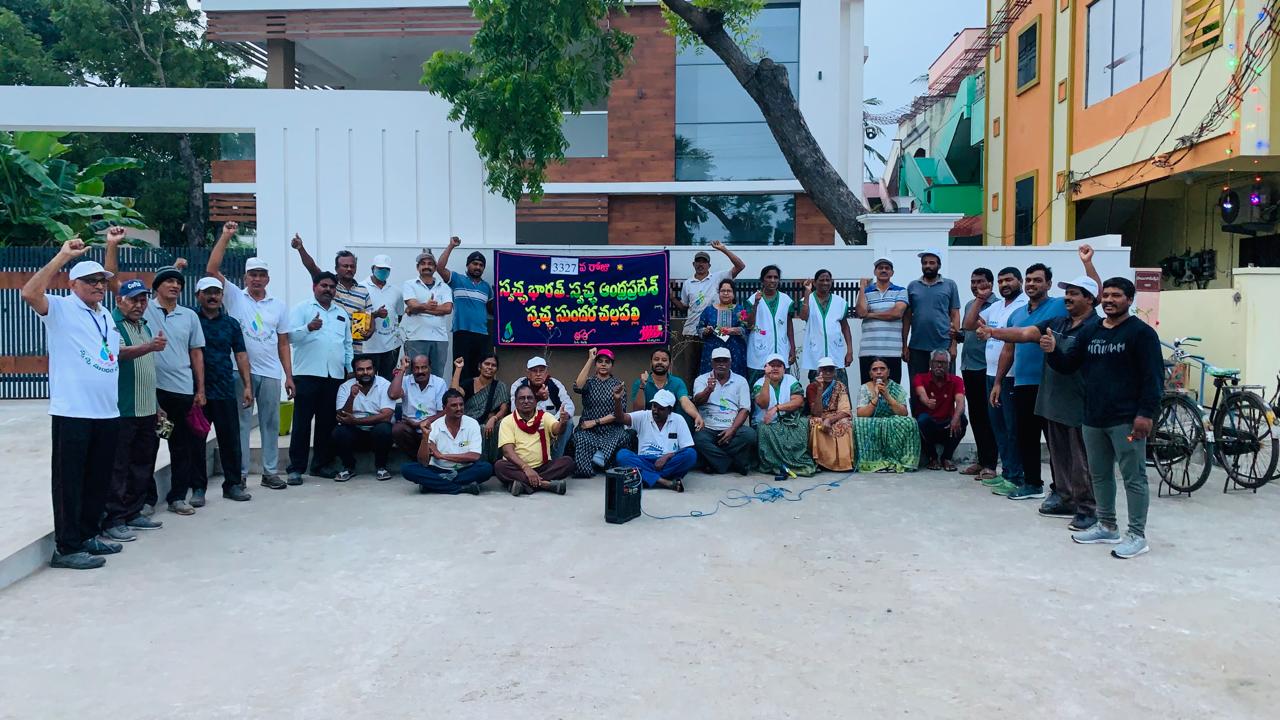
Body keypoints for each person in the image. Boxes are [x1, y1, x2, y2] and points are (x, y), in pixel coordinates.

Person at [1045, 277, 1163, 559]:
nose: (1109, 300)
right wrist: (1052, 351)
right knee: (1099, 475)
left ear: (1129, 300)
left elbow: (1153, 378)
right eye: (1106, 295)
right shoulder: (1092, 330)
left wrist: (1145, 414)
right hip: (1093, 418)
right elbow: (1069, 365)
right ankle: (1107, 526)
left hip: (1127, 420)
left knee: (1134, 477)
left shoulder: (1141, 333)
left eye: (1116, 295)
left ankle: (1137, 535)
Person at [23, 240, 123, 569]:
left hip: (106, 411)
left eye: (101, 281)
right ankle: (66, 547)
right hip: (73, 411)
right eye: (90, 281)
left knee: (97, 479)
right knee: (70, 481)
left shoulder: (104, 314)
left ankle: (88, 533)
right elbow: (29, 293)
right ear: (73, 284)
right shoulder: (60, 308)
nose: (98, 286)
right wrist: (63, 256)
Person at [981, 269, 1102, 531]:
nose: (1068, 297)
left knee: (1080, 458)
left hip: (1079, 403)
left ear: (1089, 298)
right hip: (1053, 400)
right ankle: (1065, 498)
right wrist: (992, 332)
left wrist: (1087, 263)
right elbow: (1025, 334)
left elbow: (1070, 364)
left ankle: (1087, 508)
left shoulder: (1095, 328)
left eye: (1074, 293)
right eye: (1067, 293)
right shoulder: (1058, 323)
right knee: (1059, 454)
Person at [204, 222, 295, 491]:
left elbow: (283, 343)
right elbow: (211, 270)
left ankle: (270, 472)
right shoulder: (234, 296)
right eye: (252, 275)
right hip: (239, 372)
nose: (257, 279)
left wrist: (288, 376)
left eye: (261, 275)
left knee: (270, 424)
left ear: (268, 279)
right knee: (241, 424)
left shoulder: (278, 306)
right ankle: (241, 474)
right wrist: (226, 236)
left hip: (270, 373)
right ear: (245, 278)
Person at [989, 263, 1069, 501]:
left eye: (1038, 280)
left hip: (1051, 384)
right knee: (1026, 436)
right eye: (1029, 280)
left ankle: (1061, 489)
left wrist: (1088, 263)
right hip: (1022, 383)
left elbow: (1093, 295)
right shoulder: (1017, 314)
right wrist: (998, 382)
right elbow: (1008, 350)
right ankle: (1033, 484)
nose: (1032, 284)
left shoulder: (1060, 305)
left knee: (1055, 440)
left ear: (1049, 284)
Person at [134, 260, 206, 516]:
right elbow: (117, 286)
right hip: (153, 392)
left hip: (182, 391)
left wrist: (200, 389)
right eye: (169, 281)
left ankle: (178, 497)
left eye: (178, 282)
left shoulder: (189, 316)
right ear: (156, 287)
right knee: (148, 447)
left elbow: (196, 352)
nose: (175, 285)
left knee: (181, 447)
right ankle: (147, 500)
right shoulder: (146, 310)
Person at [102, 278, 167, 542]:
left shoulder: (144, 326)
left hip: (146, 409)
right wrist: (149, 346)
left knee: (142, 464)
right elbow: (117, 353)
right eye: (133, 300)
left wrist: (157, 405)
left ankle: (133, 512)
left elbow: (147, 370)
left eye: (143, 300)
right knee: (118, 467)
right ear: (119, 300)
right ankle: (114, 519)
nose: (139, 305)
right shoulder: (112, 324)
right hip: (123, 409)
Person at [286, 271, 353, 484]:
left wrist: (349, 369)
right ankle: (296, 468)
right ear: (314, 287)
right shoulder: (302, 309)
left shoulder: (341, 313)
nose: (328, 290)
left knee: (327, 423)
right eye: (324, 286)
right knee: (302, 423)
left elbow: (347, 344)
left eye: (332, 287)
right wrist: (308, 328)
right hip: (307, 374)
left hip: (334, 376)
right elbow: (289, 337)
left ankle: (321, 465)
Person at [965, 266, 1027, 495]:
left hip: (1010, 376)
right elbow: (969, 324)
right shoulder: (997, 306)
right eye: (1000, 281)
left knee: (1012, 429)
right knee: (998, 427)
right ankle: (1007, 473)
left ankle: (1016, 476)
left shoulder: (1023, 306)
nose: (1004, 284)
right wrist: (980, 300)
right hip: (991, 374)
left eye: (1009, 280)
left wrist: (991, 333)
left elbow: (1012, 340)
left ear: (1019, 281)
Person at [193, 277, 254, 504]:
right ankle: (198, 489)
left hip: (225, 389)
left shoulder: (231, 324)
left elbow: (241, 355)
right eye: (208, 292)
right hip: (197, 392)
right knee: (196, 441)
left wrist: (247, 386)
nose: (213, 297)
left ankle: (233, 485)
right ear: (198, 295)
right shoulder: (191, 320)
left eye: (216, 293)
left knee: (230, 440)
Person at [672, 241, 745, 382]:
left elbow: (740, 266)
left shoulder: (718, 277)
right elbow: (684, 307)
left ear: (709, 265)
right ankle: (693, 395)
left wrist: (723, 249)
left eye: (704, 262)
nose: (701, 264)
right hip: (691, 332)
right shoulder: (687, 283)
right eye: (698, 261)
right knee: (690, 372)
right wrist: (672, 298)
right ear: (693, 264)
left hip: (713, 336)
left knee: (710, 370)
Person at [291, 235, 373, 357]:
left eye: (352, 266)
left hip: (355, 350)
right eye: (345, 266)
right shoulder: (329, 285)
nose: (349, 269)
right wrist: (300, 248)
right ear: (336, 268)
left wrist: (370, 331)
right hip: (332, 351)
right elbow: (312, 267)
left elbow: (369, 315)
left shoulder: (363, 290)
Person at [401, 389, 494, 495]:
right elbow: (423, 461)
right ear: (444, 408)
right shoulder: (434, 426)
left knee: (486, 468)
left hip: (464, 469)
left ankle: (433, 484)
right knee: (407, 469)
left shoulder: (472, 424)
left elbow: (474, 456)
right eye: (454, 405)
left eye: (461, 405)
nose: (459, 408)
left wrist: (442, 456)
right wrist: (425, 437)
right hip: (438, 469)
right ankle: (461, 488)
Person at [612, 387, 697, 491]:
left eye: (661, 408)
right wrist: (617, 400)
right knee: (622, 455)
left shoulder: (678, 419)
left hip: (668, 464)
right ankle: (664, 482)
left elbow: (687, 447)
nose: (656, 411)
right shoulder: (644, 415)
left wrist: (667, 456)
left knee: (691, 454)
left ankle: (647, 477)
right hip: (645, 461)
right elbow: (620, 418)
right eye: (654, 406)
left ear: (670, 410)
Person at [495, 385, 573, 495]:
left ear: (536, 401)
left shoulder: (544, 416)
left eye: (530, 398)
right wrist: (526, 468)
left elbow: (557, 430)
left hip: (543, 467)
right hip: (518, 467)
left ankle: (523, 484)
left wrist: (563, 422)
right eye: (522, 398)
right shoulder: (507, 421)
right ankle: (545, 485)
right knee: (500, 466)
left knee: (567, 462)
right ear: (515, 402)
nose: (526, 401)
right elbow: (508, 452)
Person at [958, 268, 998, 480]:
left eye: (980, 281)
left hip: (987, 368)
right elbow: (968, 330)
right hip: (969, 367)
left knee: (989, 418)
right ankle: (982, 460)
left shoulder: (998, 306)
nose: (976, 285)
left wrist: (982, 300)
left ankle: (991, 464)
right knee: (976, 417)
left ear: (990, 283)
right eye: (973, 281)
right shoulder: (969, 305)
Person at [691, 348, 757, 475]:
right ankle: (731, 463)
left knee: (750, 435)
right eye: (717, 361)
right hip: (708, 428)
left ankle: (715, 462)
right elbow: (697, 402)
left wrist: (732, 430)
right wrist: (708, 390)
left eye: (724, 361)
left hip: (731, 427)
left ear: (730, 362)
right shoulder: (701, 379)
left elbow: (744, 409)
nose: (721, 364)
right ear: (712, 363)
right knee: (698, 439)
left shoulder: (740, 381)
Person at [437, 236, 494, 378]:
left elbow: (493, 310)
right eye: (475, 264)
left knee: (480, 373)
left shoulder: (487, 287)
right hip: (462, 332)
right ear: (468, 265)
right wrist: (451, 246)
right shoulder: (457, 279)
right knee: (460, 371)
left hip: (482, 334)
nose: (478, 267)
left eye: (481, 265)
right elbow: (440, 268)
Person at [753, 354, 816, 479]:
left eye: (779, 366)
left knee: (803, 424)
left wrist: (777, 408)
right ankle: (774, 464)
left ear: (784, 368)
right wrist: (767, 379)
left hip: (789, 419)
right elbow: (763, 403)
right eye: (772, 365)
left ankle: (797, 463)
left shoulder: (791, 380)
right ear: (766, 368)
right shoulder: (759, 383)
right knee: (763, 429)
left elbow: (798, 401)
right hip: (767, 423)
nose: (775, 368)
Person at [332, 356, 395, 482]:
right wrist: (351, 397)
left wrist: (355, 421)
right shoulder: (345, 387)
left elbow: (386, 415)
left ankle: (381, 467)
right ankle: (348, 467)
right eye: (360, 369)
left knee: (384, 429)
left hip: (377, 431)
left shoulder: (384, 384)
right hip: (355, 432)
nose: (365, 372)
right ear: (354, 372)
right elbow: (342, 415)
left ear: (374, 369)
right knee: (339, 432)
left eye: (369, 369)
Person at [903, 249, 961, 383]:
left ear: (939, 265)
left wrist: (954, 345)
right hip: (917, 346)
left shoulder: (950, 285)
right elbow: (907, 317)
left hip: (943, 345)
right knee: (917, 386)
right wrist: (904, 345)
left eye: (932, 263)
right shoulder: (912, 286)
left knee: (946, 385)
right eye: (924, 263)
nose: (928, 266)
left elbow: (955, 315)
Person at [854, 357, 920, 473]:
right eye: (875, 369)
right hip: (872, 422)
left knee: (911, 422)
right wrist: (875, 398)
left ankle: (904, 461)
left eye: (882, 369)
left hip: (892, 421)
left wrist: (887, 396)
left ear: (888, 372)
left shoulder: (896, 388)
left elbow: (903, 413)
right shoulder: (865, 388)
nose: (879, 372)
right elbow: (861, 414)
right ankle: (871, 462)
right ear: (870, 374)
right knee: (858, 423)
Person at [571, 347, 627, 477]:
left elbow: (618, 413)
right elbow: (577, 386)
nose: (603, 364)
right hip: (589, 430)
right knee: (580, 438)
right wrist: (590, 359)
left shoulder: (618, 384)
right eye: (600, 361)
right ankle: (600, 461)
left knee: (623, 437)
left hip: (611, 429)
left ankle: (596, 459)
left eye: (607, 362)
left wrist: (596, 422)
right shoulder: (589, 382)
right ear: (595, 364)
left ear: (612, 365)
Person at [401, 250, 454, 379]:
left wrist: (418, 309)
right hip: (415, 337)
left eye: (430, 264)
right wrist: (422, 307)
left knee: (437, 377)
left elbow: (447, 309)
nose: (426, 266)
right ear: (417, 267)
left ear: (435, 268)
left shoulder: (444, 287)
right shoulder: (409, 284)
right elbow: (412, 304)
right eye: (423, 263)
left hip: (439, 338)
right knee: (413, 376)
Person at [509, 356, 576, 458]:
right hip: (528, 426)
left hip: (552, 426)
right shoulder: (518, 385)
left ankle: (555, 460)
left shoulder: (554, 384)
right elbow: (514, 410)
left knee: (568, 422)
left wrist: (554, 422)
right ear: (528, 373)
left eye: (541, 370)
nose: (538, 374)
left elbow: (569, 405)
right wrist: (537, 398)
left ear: (546, 372)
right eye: (534, 371)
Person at [854, 258, 908, 384]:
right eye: (880, 268)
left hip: (892, 351)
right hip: (868, 350)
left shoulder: (900, 291)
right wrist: (862, 287)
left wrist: (870, 314)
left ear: (892, 272)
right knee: (868, 390)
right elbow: (861, 312)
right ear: (875, 272)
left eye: (887, 268)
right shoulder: (866, 292)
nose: (883, 270)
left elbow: (896, 313)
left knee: (893, 390)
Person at [913, 350, 968, 471]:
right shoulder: (920, 377)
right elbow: (920, 393)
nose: (939, 365)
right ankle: (932, 458)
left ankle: (946, 458)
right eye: (936, 362)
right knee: (922, 420)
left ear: (948, 365)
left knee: (962, 419)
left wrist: (956, 418)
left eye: (943, 363)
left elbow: (960, 401)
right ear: (930, 363)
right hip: (928, 428)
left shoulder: (956, 380)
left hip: (948, 426)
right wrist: (927, 401)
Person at [450, 354, 509, 463]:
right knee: (477, 428)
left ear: (496, 369)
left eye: (493, 365)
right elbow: (453, 394)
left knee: (500, 424)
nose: (490, 367)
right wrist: (458, 368)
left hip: (488, 424)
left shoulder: (500, 386)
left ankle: (493, 461)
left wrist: (494, 418)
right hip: (467, 422)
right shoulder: (469, 383)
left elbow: (504, 409)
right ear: (479, 367)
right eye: (487, 364)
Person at [798, 269, 853, 384]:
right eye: (822, 280)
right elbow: (803, 316)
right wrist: (807, 293)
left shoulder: (840, 302)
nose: (825, 283)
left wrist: (849, 351)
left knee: (840, 390)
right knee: (817, 391)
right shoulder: (806, 300)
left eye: (828, 280)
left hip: (835, 353)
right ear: (814, 282)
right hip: (816, 355)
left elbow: (845, 327)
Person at [629, 348, 703, 430]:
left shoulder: (677, 382)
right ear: (651, 363)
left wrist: (696, 415)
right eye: (656, 359)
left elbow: (685, 401)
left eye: (664, 360)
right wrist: (642, 386)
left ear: (670, 364)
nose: (660, 362)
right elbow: (638, 411)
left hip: (670, 426)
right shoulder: (639, 383)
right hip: (647, 425)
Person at [745, 265, 796, 383]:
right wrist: (756, 304)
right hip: (759, 352)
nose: (772, 280)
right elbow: (749, 325)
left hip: (781, 350)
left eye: (775, 277)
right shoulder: (752, 299)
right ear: (762, 280)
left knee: (782, 386)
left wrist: (792, 348)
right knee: (758, 387)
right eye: (769, 277)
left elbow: (789, 326)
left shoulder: (786, 300)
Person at [389, 354, 448, 455]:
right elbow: (393, 394)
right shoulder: (406, 380)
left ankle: (427, 458)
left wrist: (419, 424)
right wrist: (402, 369)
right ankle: (416, 458)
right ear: (411, 370)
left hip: (432, 428)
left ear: (430, 368)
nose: (420, 371)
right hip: (410, 428)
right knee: (397, 429)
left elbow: (442, 412)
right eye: (416, 368)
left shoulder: (439, 383)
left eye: (424, 367)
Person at [804, 357, 853, 472]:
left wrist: (830, 420)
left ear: (834, 372)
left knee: (845, 424)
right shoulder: (812, 387)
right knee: (816, 423)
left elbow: (845, 409)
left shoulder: (840, 386)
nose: (827, 373)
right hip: (819, 416)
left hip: (836, 415)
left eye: (830, 370)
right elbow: (816, 412)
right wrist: (820, 389)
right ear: (818, 372)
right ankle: (821, 461)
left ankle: (843, 462)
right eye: (824, 370)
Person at [362, 254, 404, 380]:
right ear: (372, 268)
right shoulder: (361, 287)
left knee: (387, 382)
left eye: (387, 269)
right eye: (380, 268)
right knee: (367, 380)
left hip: (391, 347)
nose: (383, 272)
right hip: (368, 347)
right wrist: (375, 315)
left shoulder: (396, 291)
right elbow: (356, 316)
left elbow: (400, 315)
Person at [697, 278, 749, 379]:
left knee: (735, 377)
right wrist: (706, 330)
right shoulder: (709, 310)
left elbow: (746, 328)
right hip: (712, 349)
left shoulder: (739, 309)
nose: (725, 293)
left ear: (733, 294)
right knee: (711, 375)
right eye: (723, 291)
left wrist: (732, 330)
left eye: (729, 291)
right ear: (718, 293)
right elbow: (699, 328)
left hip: (735, 350)